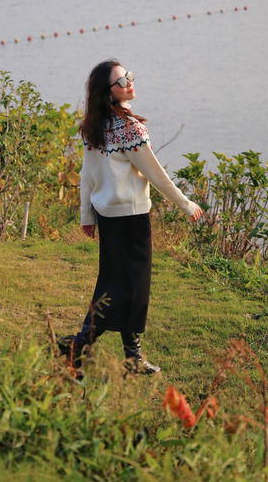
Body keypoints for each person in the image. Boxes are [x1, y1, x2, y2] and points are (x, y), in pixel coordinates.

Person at [58, 59, 203, 378]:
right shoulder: (130, 129)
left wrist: (87, 215)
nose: (129, 83)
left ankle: (130, 356)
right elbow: (157, 175)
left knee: (115, 283)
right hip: (132, 218)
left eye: (129, 77)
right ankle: (78, 345)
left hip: (108, 217)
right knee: (129, 289)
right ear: (108, 92)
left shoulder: (94, 127)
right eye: (122, 80)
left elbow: (87, 177)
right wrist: (186, 204)